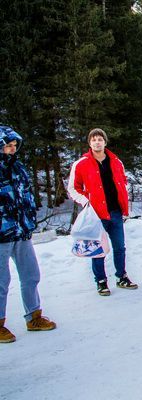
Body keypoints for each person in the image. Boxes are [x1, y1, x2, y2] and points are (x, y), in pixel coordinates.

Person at [0, 126, 56, 343]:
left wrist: (29, 219)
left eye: (14, 146)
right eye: (8, 146)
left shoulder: (18, 167)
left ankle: (34, 317)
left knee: (31, 274)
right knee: (1, 281)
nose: (12, 150)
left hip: (21, 231)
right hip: (2, 234)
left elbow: (27, 196)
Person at [68, 128, 137, 296]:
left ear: (105, 142)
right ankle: (101, 281)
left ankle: (122, 277)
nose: (97, 142)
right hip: (96, 214)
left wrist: (124, 199)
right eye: (93, 140)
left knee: (120, 247)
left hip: (115, 212)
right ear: (89, 143)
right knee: (98, 249)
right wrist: (87, 202)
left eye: (100, 139)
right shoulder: (81, 164)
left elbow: (123, 182)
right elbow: (73, 188)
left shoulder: (116, 161)